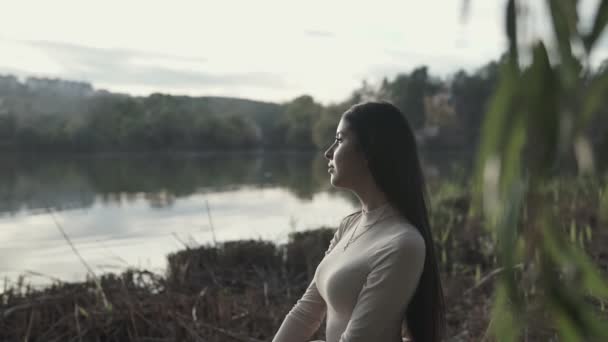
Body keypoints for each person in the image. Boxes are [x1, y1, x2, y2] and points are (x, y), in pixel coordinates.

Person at [272, 101, 446, 342]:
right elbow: (305, 312)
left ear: (368, 152)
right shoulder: (349, 225)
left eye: (340, 139)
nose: (328, 152)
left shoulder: (403, 244)